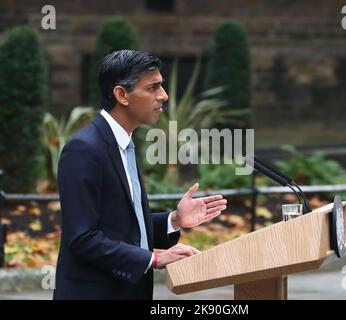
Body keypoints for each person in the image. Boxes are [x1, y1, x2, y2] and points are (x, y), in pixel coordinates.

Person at [53, 50, 227, 300]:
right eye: (153, 87)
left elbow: (123, 228)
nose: (163, 96)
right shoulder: (84, 149)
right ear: (121, 95)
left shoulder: (123, 143)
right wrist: (154, 258)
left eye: (162, 86)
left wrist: (175, 219)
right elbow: (83, 238)